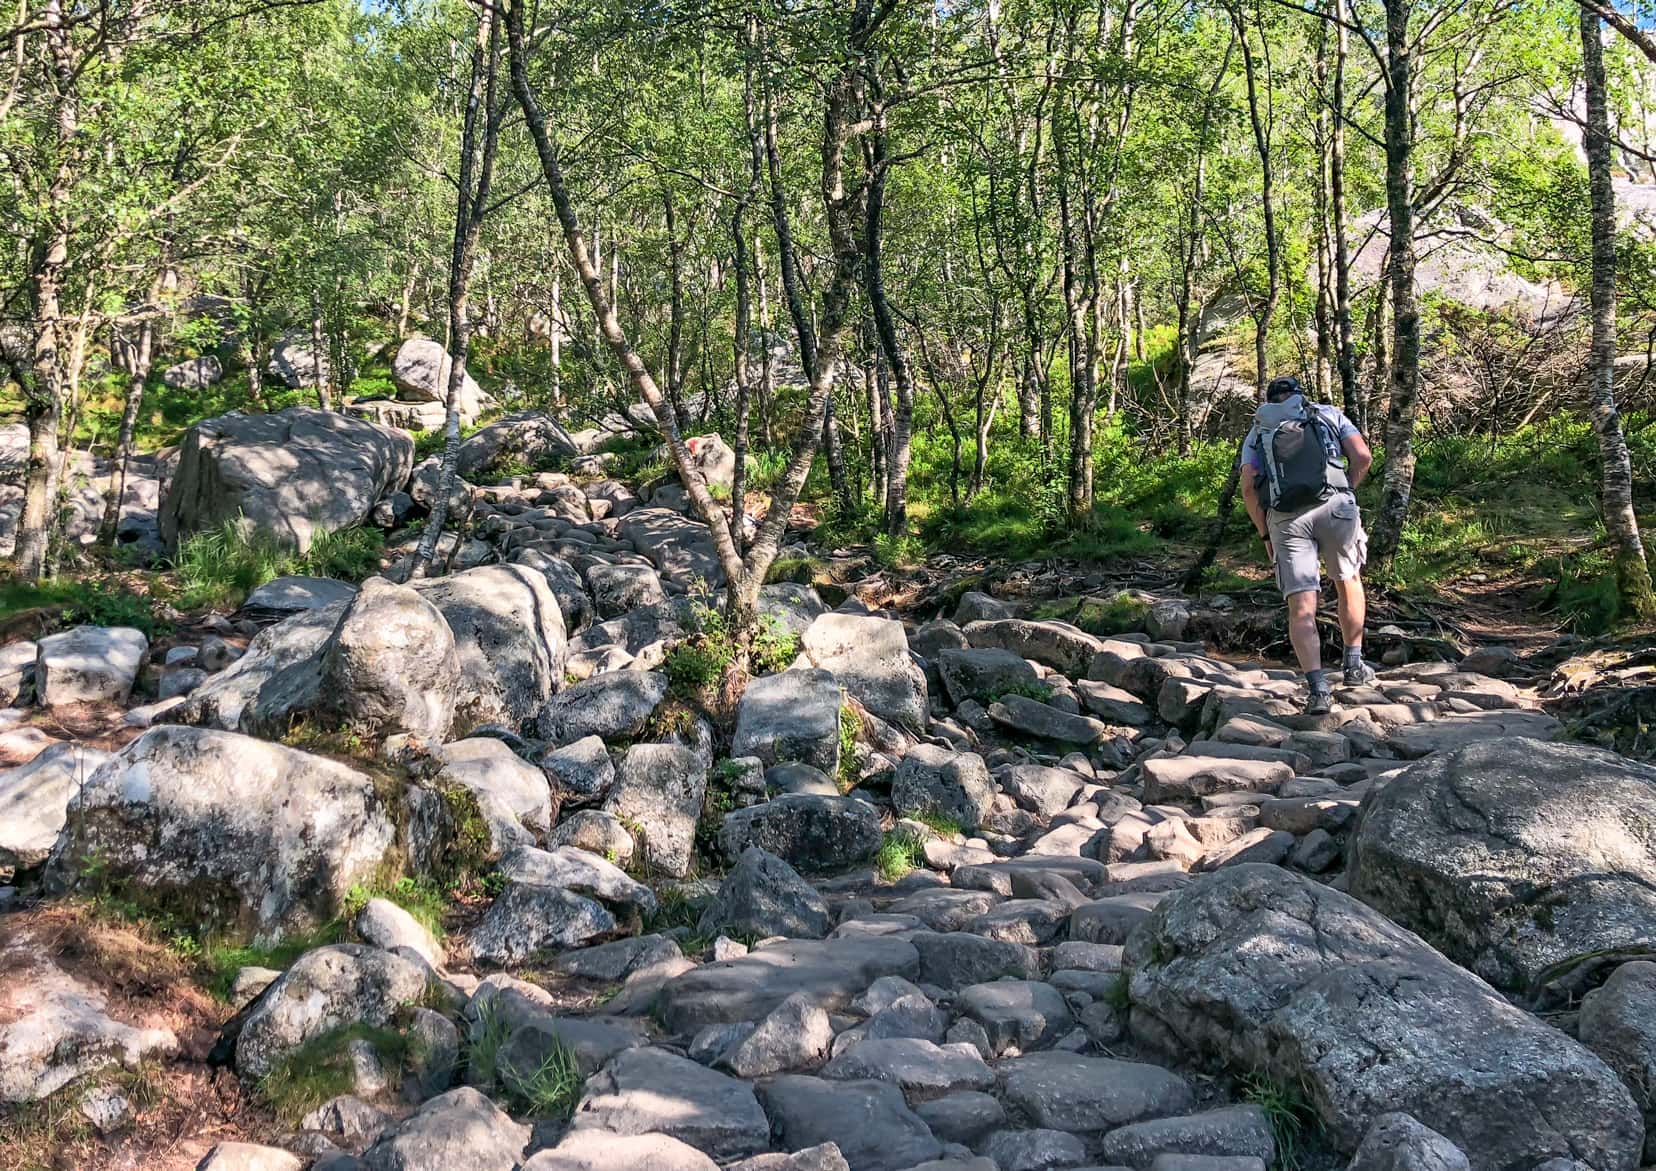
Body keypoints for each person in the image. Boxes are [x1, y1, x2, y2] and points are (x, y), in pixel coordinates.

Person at [1240, 375, 1375, 714]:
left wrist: (1265, 535)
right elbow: (1362, 457)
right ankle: (1354, 666)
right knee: (1348, 580)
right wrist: (1346, 491)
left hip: (1286, 519)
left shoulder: (1258, 431)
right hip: (1335, 506)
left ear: (1270, 400)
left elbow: (1247, 488)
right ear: (1299, 396)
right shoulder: (1328, 414)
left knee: (1301, 606)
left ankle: (1318, 691)